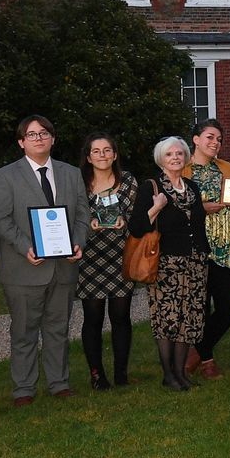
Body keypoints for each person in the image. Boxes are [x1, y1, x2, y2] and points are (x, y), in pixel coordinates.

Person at [0, 114, 90, 404]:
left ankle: (59, 382)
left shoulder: (71, 173)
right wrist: (25, 247)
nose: (39, 138)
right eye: (31, 135)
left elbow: (82, 214)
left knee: (58, 329)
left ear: (53, 139)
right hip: (24, 268)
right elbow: (0, 218)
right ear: (21, 142)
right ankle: (24, 388)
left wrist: (78, 242)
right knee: (24, 331)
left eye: (44, 133)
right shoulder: (6, 175)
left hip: (63, 267)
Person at [130, 137, 206, 391]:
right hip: (165, 265)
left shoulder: (192, 187)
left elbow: (197, 224)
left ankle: (181, 373)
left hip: (195, 263)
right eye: (169, 154)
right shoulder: (151, 188)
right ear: (161, 159)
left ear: (185, 157)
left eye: (179, 154)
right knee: (168, 319)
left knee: (190, 318)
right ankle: (168, 375)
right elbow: (137, 227)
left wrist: (203, 253)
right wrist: (156, 208)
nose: (175, 158)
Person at [185, 119, 230, 379]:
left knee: (229, 306)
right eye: (210, 137)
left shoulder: (228, 168)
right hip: (196, 248)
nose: (215, 143)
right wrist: (201, 208)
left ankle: (197, 351)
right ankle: (207, 359)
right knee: (199, 307)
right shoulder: (182, 170)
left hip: (227, 247)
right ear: (196, 140)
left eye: (219, 139)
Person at [76, 132, 137, 389]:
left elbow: (141, 218)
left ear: (115, 154)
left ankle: (121, 373)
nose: (102, 155)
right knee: (93, 317)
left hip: (121, 257)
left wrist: (126, 222)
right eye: (96, 151)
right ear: (88, 157)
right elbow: (71, 217)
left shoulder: (129, 182)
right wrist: (87, 225)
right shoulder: (78, 184)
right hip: (89, 259)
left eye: (107, 150)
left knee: (121, 316)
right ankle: (97, 374)